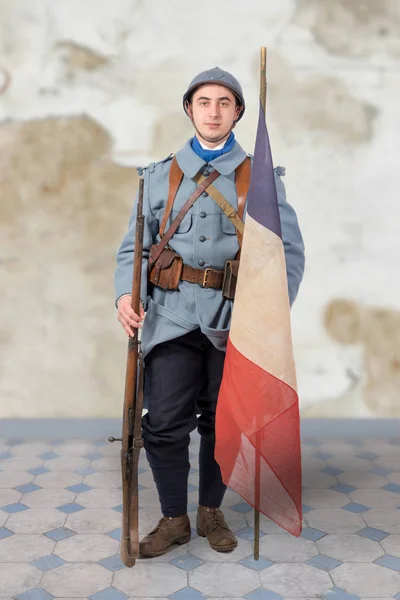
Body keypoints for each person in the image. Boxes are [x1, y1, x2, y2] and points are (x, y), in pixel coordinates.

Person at [114, 67, 305, 557]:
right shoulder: (158, 176)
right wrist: (124, 295)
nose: (214, 111)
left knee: (225, 423)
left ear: (237, 111)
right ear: (189, 109)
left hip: (234, 321)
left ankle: (210, 512)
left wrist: (270, 315)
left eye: (224, 102)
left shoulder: (259, 178)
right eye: (204, 102)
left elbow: (289, 251)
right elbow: (134, 249)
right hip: (172, 317)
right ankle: (175, 518)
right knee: (163, 423)